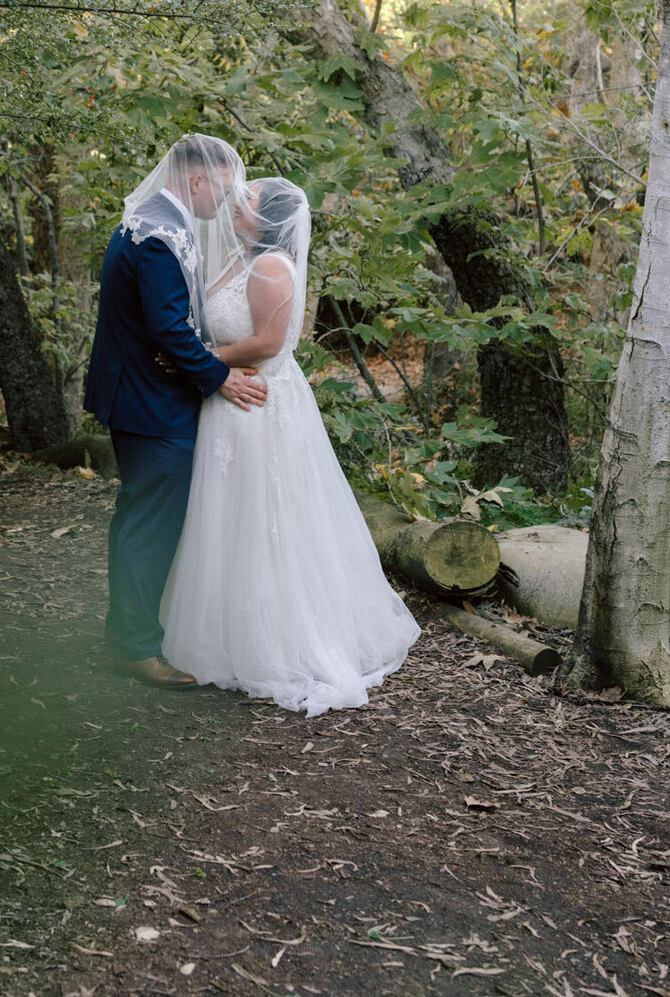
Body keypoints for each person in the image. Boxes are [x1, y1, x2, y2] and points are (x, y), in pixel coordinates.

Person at [161, 177, 421, 714]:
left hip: (258, 405)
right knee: (226, 517)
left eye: (249, 199)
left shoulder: (272, 267)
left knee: (266, 517)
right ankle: (222, 630)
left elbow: (267, 344)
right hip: (229, 399)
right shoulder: (240, 262)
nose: (237, 202)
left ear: (271, 216)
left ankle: (277, 642)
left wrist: (200, 357)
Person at [83, 135, 268, 687]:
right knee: (149, 525)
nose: (227, 201)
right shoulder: (161, 234)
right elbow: (167, 327)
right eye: (224, 188)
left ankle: (129, 633)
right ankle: (135, 647)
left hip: (139, 392)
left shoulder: (153, 219)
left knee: (139, 518)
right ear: (196, 180)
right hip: (149, 400)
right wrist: (220, 377)